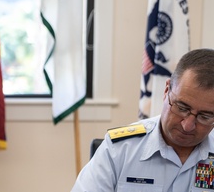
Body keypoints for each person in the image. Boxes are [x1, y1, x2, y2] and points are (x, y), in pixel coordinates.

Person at [71, 48, 214, 191]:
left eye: (205, 116)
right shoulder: (120, 149)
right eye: (182, 108)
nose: (187, 125)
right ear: (166, 91)